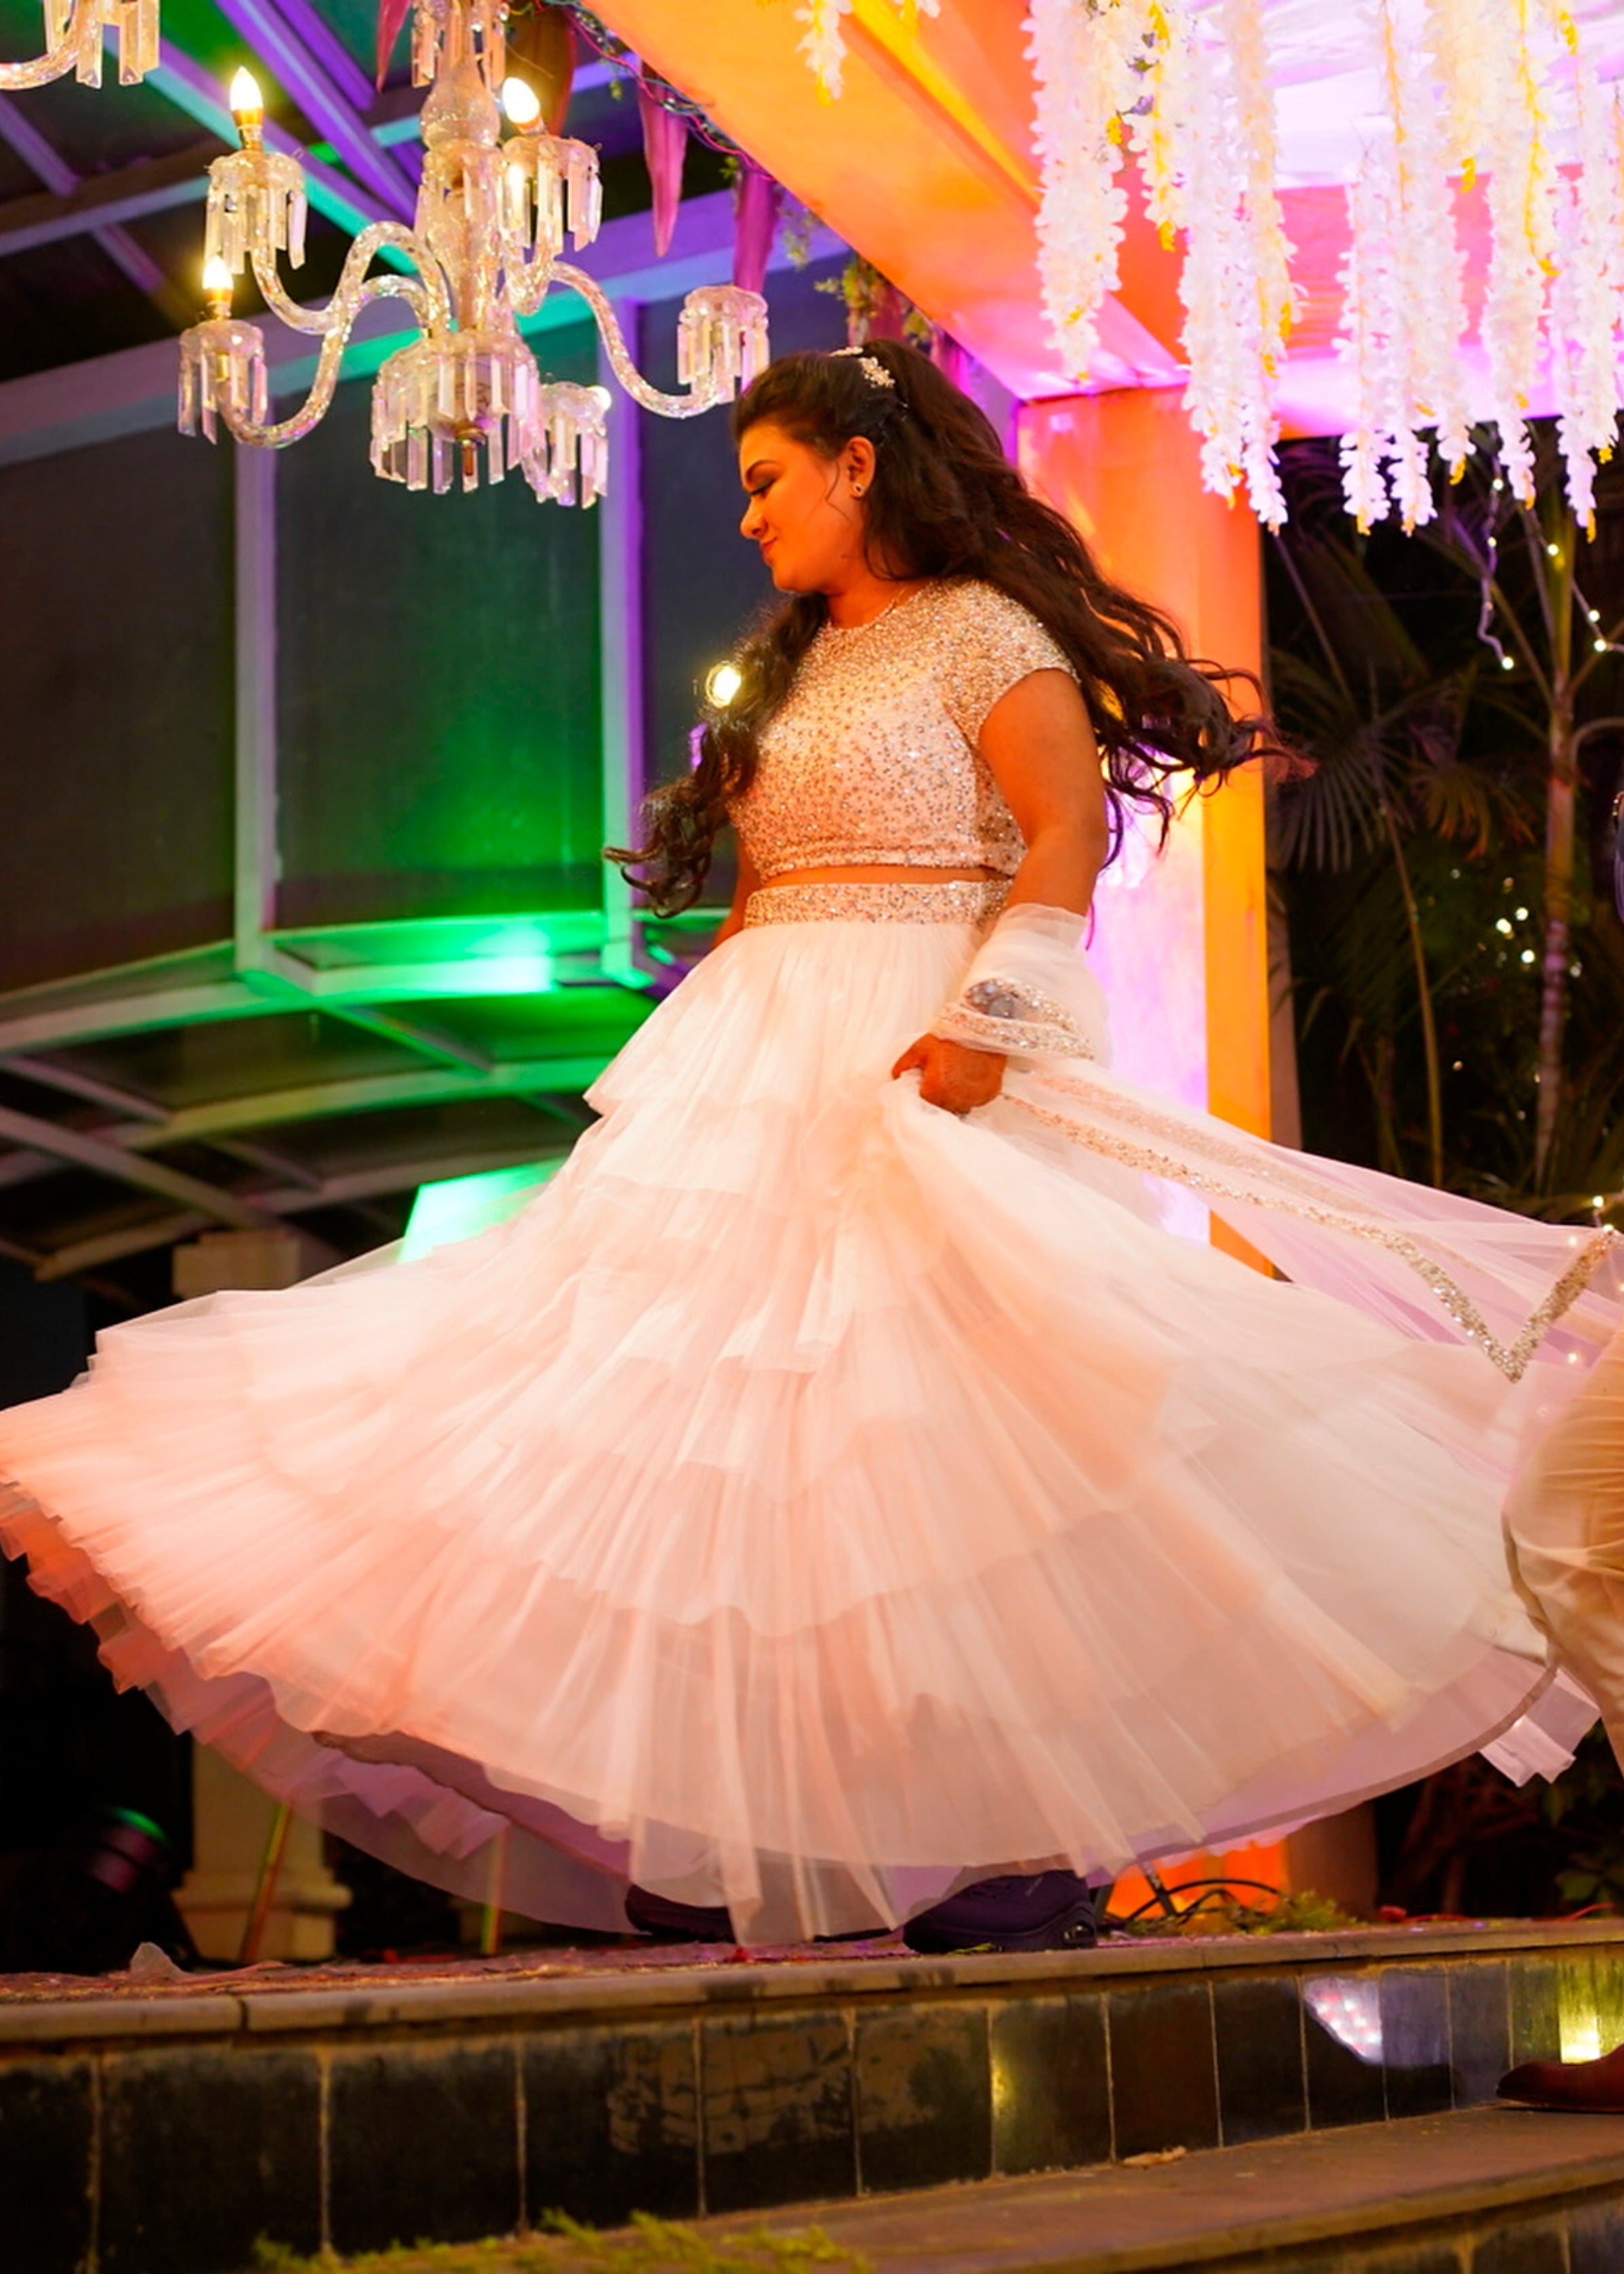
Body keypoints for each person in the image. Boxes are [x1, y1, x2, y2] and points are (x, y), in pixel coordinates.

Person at [0, 341, 1618, 1956]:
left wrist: (991, 1013)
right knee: (708, 1445)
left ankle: (997, 1842)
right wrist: (715, 1049)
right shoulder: (799, 668)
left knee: (941, 1447)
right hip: (760, 1063)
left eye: (771, 481)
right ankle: (735, 1825)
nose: (753, 518)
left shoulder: (983, 631)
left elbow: (1061, 828)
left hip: (926, 1046)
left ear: (862, 466)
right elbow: (772, 891)